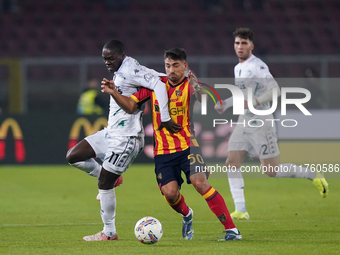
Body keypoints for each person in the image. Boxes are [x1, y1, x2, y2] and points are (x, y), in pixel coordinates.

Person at [101, 47, 241, 241]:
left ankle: (231, 230)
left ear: (185, 66)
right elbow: (131, 106)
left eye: (176, 65)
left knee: (200, 183)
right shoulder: (154, 85)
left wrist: (197, 85)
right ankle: (187, 214)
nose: (171, 70)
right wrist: (114, 92)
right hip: (163, 152)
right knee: (171, 194)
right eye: (168, 65)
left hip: (187, 147)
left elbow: (208, 102)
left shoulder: (191, 84)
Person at [66, 39, 180, 241]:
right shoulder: (123, 70)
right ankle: (111, 177)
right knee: (73, 156)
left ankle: (109, 233)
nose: (107, 63)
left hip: (127, 137)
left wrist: (165, 117)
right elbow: (159, 76)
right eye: (104, 59)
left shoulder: (129, 69)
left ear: (122, 55)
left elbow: (159, 83)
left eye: (111, 58)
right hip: (111, 133)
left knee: (104, 184)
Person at [214, 28, 329, 220]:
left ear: (251, 45)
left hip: (262, 121)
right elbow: (243, 94)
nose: (240, 47)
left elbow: (275, 90)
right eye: (237, 43)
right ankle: (241, 210)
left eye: (244, 43)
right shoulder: (238, 67)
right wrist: (226, 103)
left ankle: (313, 174)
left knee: (271, 170)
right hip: (245, 120)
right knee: (231, 163)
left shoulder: (258, 67)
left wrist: (254, 103)